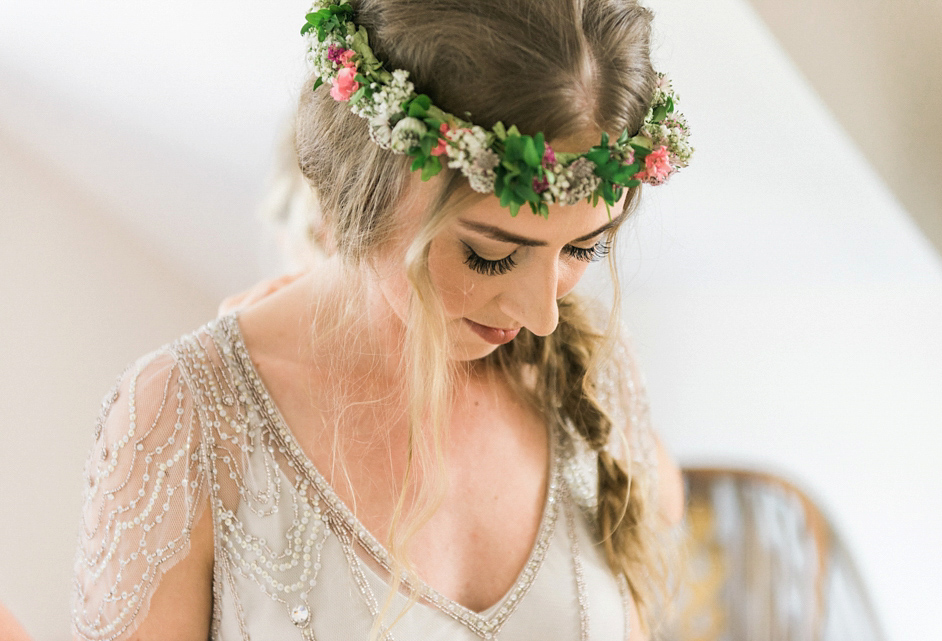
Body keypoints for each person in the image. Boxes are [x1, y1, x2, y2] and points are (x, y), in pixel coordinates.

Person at [71, 0, 689, 639]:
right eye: (490, 254)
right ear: (362, 190)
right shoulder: (189, 419)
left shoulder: (585, 376)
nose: (542, 315)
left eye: (585, 248)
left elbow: (660, 508)